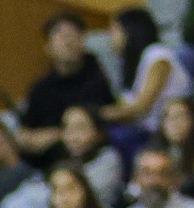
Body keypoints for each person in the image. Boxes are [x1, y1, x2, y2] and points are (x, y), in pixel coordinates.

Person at [18, 11, 119, 161]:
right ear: (48, 47)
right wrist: (33, 139)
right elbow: (25, 131)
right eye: (60, 35)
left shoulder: (100, 72)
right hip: (49, 158)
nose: (68, 41)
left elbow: (113, 112)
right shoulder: (41, 87)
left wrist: (64, 134)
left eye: (73, 34)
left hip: (92, 154)